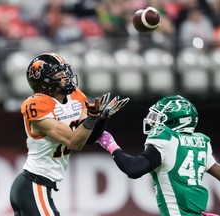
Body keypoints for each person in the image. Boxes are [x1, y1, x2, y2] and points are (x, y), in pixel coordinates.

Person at [9, 52, 130, 216]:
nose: (66, 77)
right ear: (44, 82)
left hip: (39, 186)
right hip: (34, 184)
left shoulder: (75, 96)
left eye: (65, 72)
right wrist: (92, 117)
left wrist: (103, 118)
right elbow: (74, 142)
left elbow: (88, 138)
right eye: (59, 75)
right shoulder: (37, 104)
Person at [97, 95, 220, 216]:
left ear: (176, 121)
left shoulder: (167, 139)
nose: (154, 122)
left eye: (161, 118)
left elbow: (134, 168)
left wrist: (111, 145)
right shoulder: (201, 142)